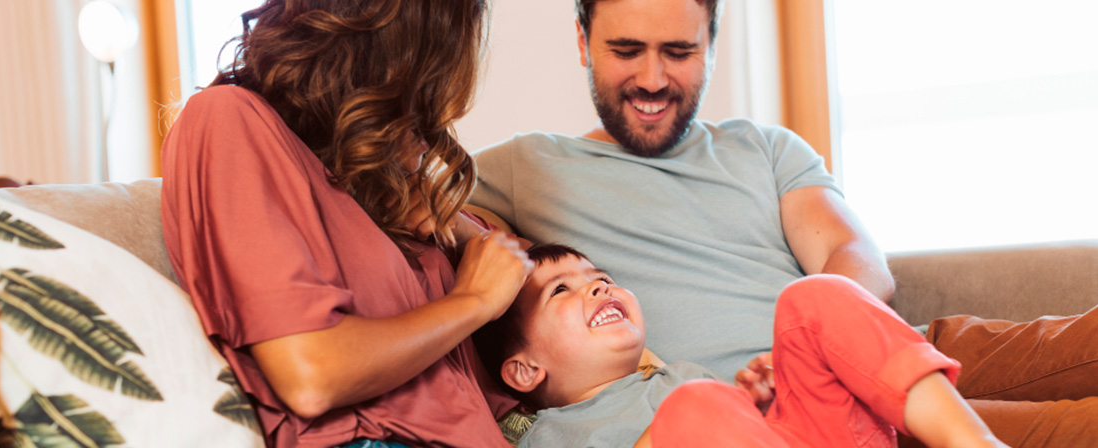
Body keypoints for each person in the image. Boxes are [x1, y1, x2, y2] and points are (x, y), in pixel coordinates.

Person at [468, 0, 1098, 446]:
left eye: (679, 51)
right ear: (582, 42)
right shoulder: (529, 167)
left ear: (712, 42)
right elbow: (399, 196)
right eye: (626, 50)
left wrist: (802, 347)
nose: (653, 79)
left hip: (873, 349)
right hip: (776, 420)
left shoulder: (765, 147)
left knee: (1075, 342)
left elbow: (854, 255)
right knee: (1066, 431)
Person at [160, 1, 532, 447]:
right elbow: (310, 374)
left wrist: (452, 223)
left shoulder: (365, 165)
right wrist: (472, 301)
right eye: (440, 61)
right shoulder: (226, 119)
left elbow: (534, 278)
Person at [474, 244, 1006, 448]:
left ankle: (975, 444)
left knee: (812, 298)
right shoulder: (551, 436)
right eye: (561, 290)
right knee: (698, 406)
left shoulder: (677, 374)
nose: (598, 287)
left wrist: (756, 400)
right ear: (524, 371)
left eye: (601, 277)